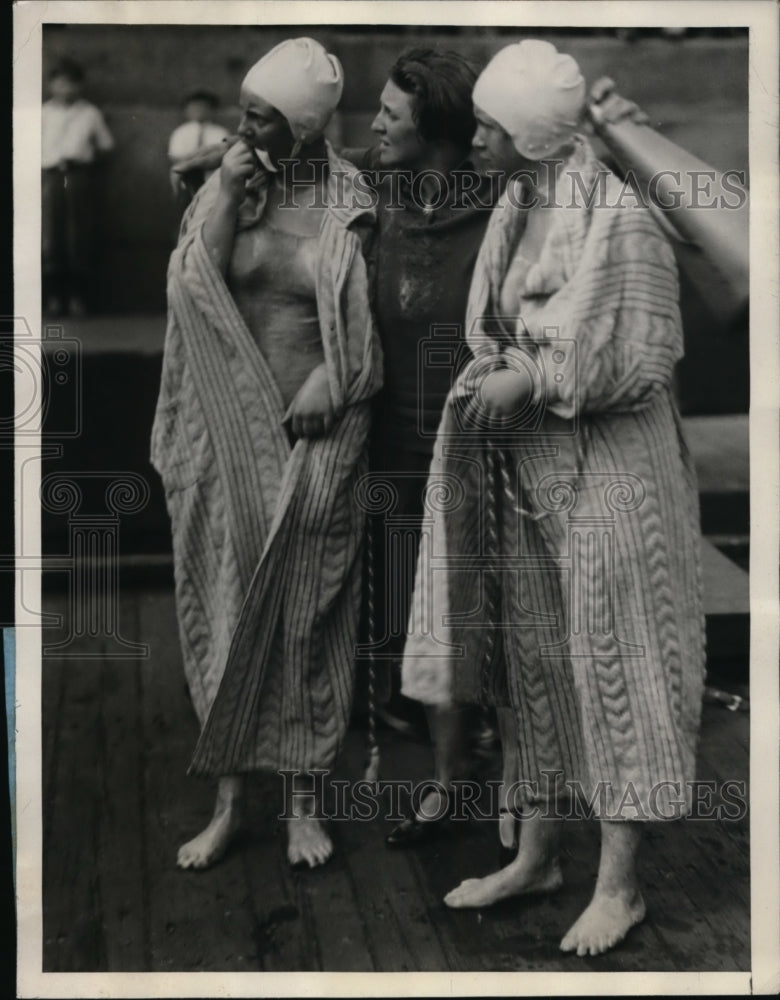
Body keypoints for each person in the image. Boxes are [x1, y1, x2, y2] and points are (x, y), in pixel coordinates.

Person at [401, 40, 705, 956]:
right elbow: (496, 320)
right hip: (526, 465)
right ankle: (536, 853)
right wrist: (503, 371)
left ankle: (622, 886)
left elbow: (640, 349)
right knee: (534, 664)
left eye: (493, 126)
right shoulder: (519, 199)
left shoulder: (617, 214)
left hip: (612, 467)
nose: (478, 137)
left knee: (622, 665)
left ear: (533, 133)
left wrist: (533, 372)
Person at [151, 37, 381, 871]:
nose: (242, 127)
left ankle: (303, 805)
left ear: (307, 127)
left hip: (315, 441)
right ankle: (229, 800)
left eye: (262, 118)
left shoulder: (352, 200)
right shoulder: (230, 187)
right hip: (226, 439)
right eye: (242, 112)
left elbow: (367, 317)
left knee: (306, 622)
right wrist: (222, 188)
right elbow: (190, 288)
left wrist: (334, 373)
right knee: (223, 613)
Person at [341, 48, 513, 847]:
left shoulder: (508, 207)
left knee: (485, 611)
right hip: (389, 446)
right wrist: (210, 157)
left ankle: (514, 775)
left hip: (481, 448)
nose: (374, 123)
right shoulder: (377, 185)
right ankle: (450, 781)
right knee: (425, 615)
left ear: (437, 129)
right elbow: (300, 149)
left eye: (390, 114)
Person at [42, 58, 114, 317]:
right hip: (50, 176)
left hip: (77, 175)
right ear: (52, 85)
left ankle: (77, 299)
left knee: (77, 236)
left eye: (72, 84)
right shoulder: (43, 112)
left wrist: (85, 157)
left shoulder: (89, 113)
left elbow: (106, 145)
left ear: (80, 86)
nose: (66, 89)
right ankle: (53, 299)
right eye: (61, 84)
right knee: (52, 237)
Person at [168, 91, 229, 200]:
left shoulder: (221, 133)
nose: (199, 110)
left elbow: (224, 155)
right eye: (194, 107)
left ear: (212, 109)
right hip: (186, 182)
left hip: (212, 182)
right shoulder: (180, 132)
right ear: (187, 110)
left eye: (204, 106)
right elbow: (175, 156)